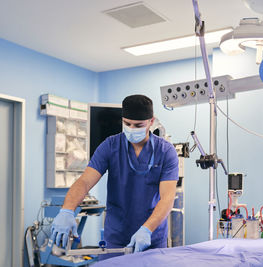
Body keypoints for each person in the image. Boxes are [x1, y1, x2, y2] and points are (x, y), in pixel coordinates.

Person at [50, 94, 179, 260]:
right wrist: (67, 210)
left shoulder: (166, 151)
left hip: (151, 237)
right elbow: (84, 181)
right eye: (127, 123)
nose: (132, 128)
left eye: (138, 125)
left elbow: (167, 198)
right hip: (116, 237)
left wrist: (146, 229)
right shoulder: (110, 146)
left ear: (151, 122)